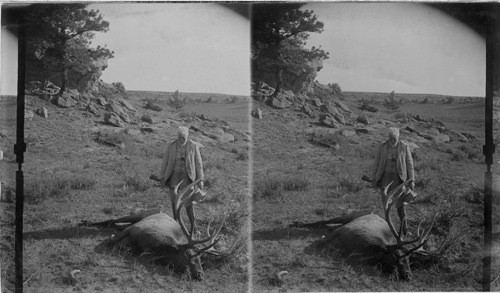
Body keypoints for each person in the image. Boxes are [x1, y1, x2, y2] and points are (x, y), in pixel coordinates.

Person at [156, 126, 204, 234]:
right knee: (174, 200)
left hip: (187, 176)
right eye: (179, 137)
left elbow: (198, 163)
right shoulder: (171, 146)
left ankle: (194, 228)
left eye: (183, 137)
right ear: (177, 136)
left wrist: (200, 179)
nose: (181, 140)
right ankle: (175, 225)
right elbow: (165, 162)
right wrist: (161, 177)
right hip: (174, 175)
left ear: (187, 137)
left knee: (189, 202)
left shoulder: (193, 145)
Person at [371, 127, 416, 236]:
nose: (392, 140)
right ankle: (387, 228)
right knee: (386, 203)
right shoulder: (382, 146)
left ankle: (404, 228)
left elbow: (410, 164)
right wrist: (374, 178)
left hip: (398, 177)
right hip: (385, 177)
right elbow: (376, 162)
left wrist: (412, 180)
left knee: (400, 203)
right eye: (391, 138)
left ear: (398, 137)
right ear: (388, 137)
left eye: (394, 138)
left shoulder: (404, 146)